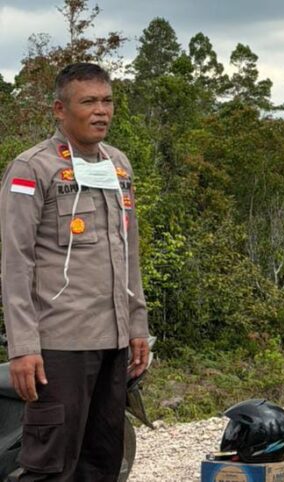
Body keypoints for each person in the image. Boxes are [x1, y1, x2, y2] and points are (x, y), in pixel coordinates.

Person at [0, 62, 149, 481]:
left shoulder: (118, 166)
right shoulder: (32, 169)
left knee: (102, 462)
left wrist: (137, 325)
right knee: (51, 468)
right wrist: (23, 346)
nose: (101, 111)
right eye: (88, 102)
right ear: (59, 110)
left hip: (113, 340)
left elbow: (128, 254)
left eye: (107, 101)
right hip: (59, 346)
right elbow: (15, 264)